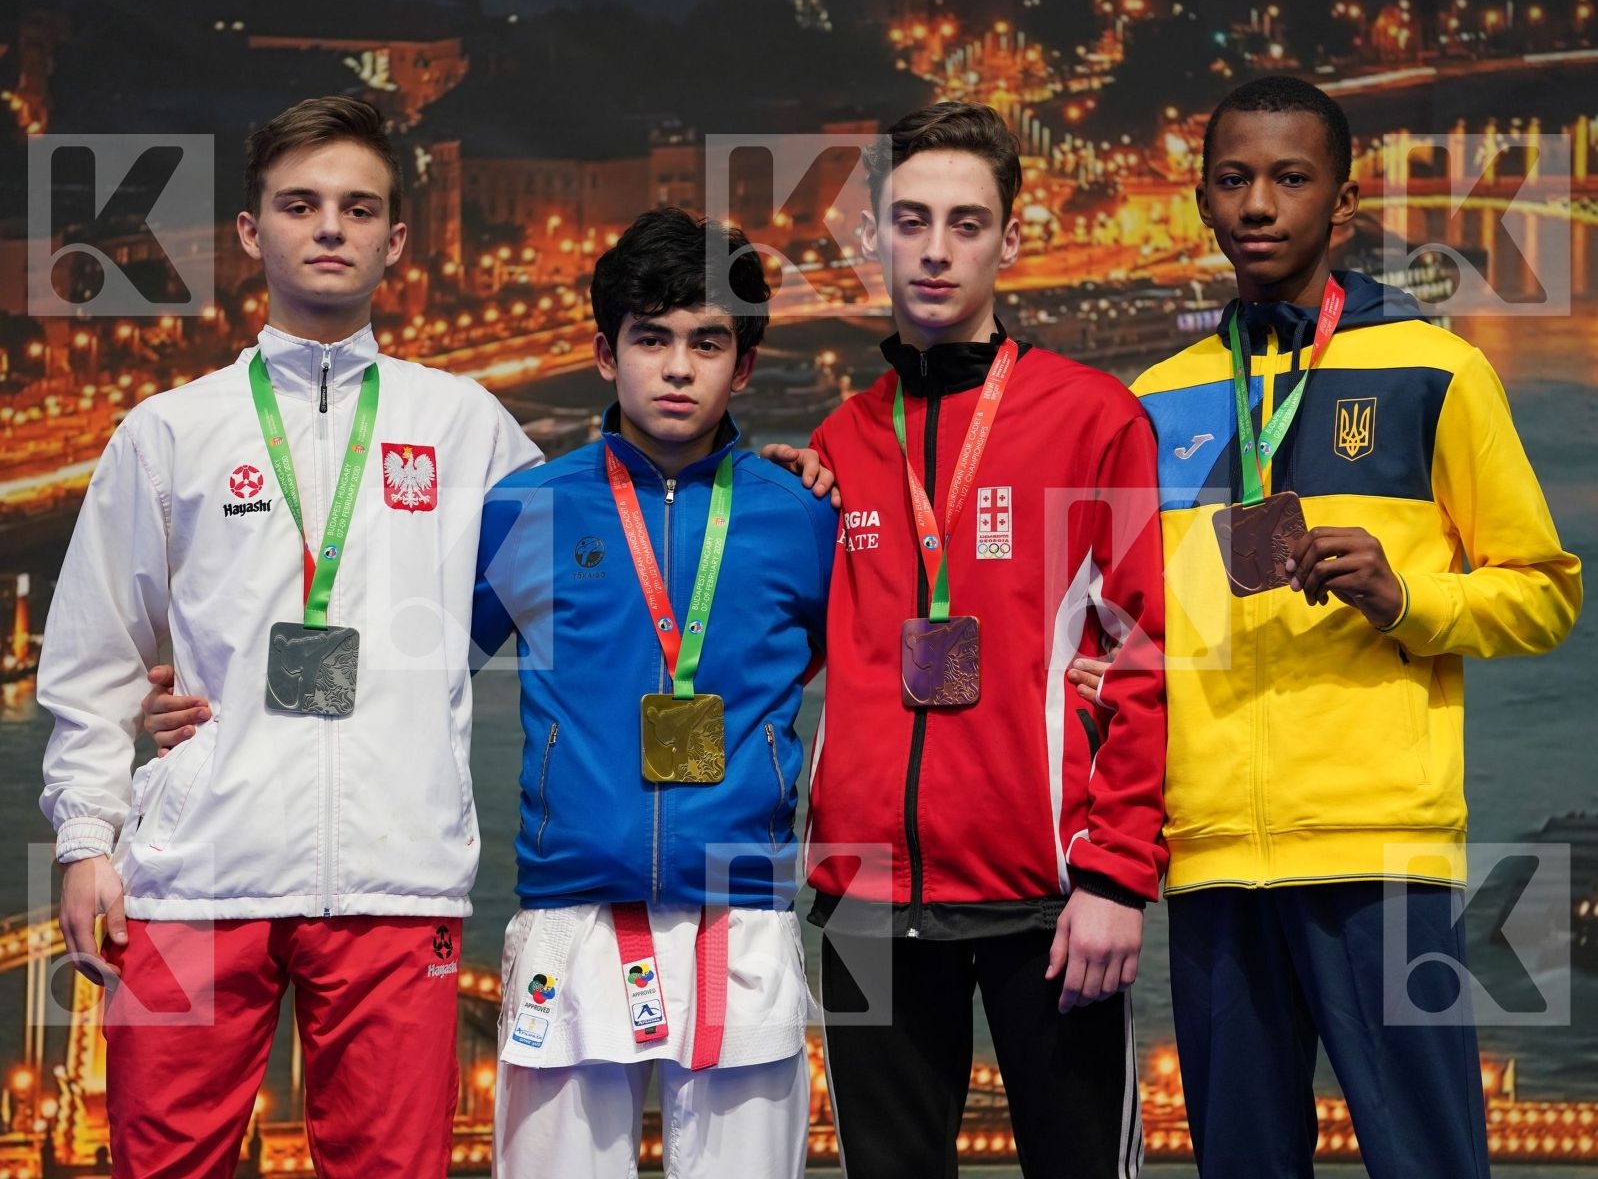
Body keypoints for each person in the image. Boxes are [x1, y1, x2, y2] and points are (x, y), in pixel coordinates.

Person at [1072, 76, 1582, 1178]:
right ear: (1201, 202)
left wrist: (1408, 599)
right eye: (1233, 180)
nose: (1258, 204)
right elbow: (1124, 631)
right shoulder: (1151, 403)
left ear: (1339, 204)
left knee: (1428, 1162)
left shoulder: (1436, 373)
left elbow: (1541, 592)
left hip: (1379, 856)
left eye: (1289, 179)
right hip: (1208, 862)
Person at [38, 95, 543, 1177]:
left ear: (394, 239)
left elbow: (590, 580)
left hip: (394, 882)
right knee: (161, 1166)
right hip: (191, 876)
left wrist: (772, 482)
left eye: (357, 208)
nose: (328, 227)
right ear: (248, 232)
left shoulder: (466, 426)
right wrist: (85, 840)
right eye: (299, 204)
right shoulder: (167, 430)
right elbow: (92, 658)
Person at [791, 100, 1168, 1179]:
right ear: (873, 234)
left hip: (1045, 899)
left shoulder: (1093, 418)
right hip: (861, 899)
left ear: (1010, 238)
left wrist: (1115, 877)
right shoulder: (838, 440)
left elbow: (1143, 649)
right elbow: (800, 650)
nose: (935, 249)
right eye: (910, 220)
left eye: (965, 223)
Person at [470, 207, 835, 1178]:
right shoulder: (525, 510)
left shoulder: (801, 520)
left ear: (743, 365)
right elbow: (418, 682)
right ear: (604, 352)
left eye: (706, 343)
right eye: (651, 339)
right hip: (567, 911)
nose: (678, 367)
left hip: (742, 912)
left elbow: (879, 688)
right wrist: (204, 696)